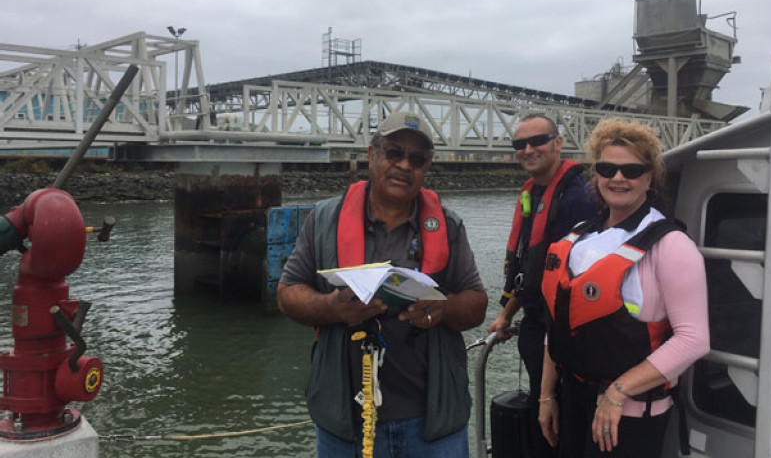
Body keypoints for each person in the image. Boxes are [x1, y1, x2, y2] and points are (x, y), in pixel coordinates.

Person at [277, 110, 488, 458]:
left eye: (417, 159)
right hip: (344, 422)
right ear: (372, 155)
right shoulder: (324, 220)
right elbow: (287, 295)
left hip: (433, 423)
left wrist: (444, 307)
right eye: (394, 153)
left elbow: (477, 304)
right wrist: (332, 308)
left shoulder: (448, 225)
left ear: (426, 168)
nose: (405, 165)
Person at [538, 119, 710, 457]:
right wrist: (546, 395)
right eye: (607, 168)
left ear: (649, 177)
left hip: (628, 413)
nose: (618, 178)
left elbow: (694, 339)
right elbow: (557, 324)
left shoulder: (671, 245)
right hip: (573, 398)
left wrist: (617, 393)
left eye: (631, 170)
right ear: (596, 174)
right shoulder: (578, 236)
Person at [487, 114, 597, 457]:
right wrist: (506, 314)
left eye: (537, 141)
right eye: (520, 144)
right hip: (536, 325)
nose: (528, 150)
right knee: (542, 417)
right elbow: (531, 270)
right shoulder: (535, 192)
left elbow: (564, 276)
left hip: (560, 335)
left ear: (558, 143)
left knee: (556, 423)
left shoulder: (577, 199)